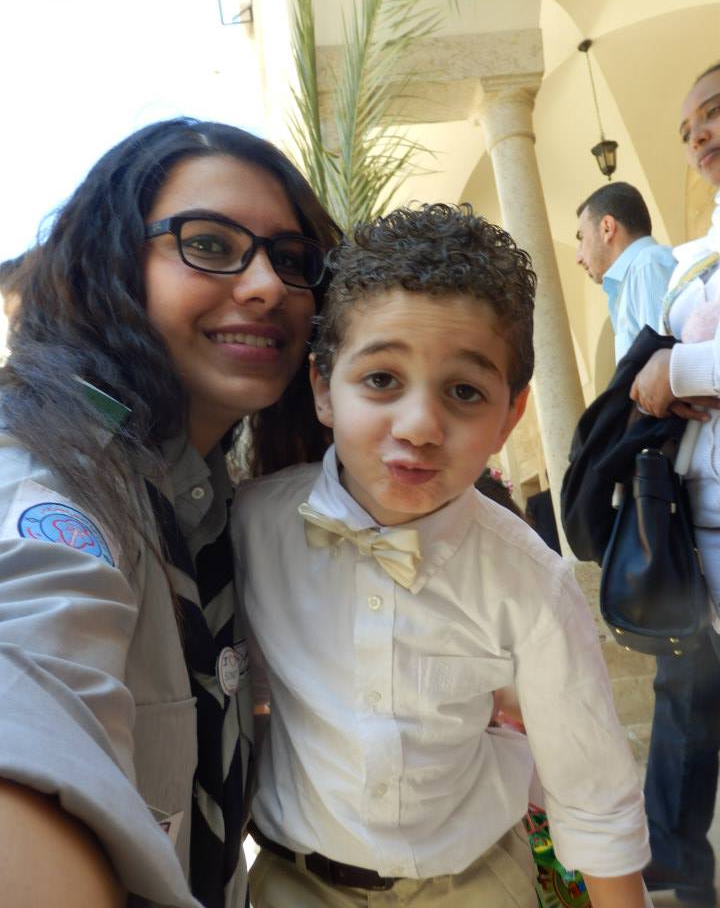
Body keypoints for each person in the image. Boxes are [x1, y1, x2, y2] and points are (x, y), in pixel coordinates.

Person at [235, 203, 650, 908]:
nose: (421, 426)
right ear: (323, 388)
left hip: (476, 884)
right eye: (381, 380)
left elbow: (592, 793)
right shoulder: (251, 528)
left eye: (464, 391)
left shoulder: (528, 580)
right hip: (293, 884)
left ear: (510, 416)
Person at [0, 117, 338, 908]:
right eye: (210, 244)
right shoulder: (51, 474)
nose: (267, 286)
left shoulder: (220, 506)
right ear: (112, 267)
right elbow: (33, 666)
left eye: (293, 260)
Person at [631, 61, 720, 908]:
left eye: (715, 114)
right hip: (699, 525)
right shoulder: (699, 256)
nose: (700, 138)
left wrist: (680, 369)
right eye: (689, 130)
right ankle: (681, 873)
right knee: (688, 692)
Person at [576, 181, 676, 363]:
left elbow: (664, 365)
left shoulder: (647, 266)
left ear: (607, 227)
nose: (578, 257)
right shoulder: (635, 276)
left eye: (581, 237)